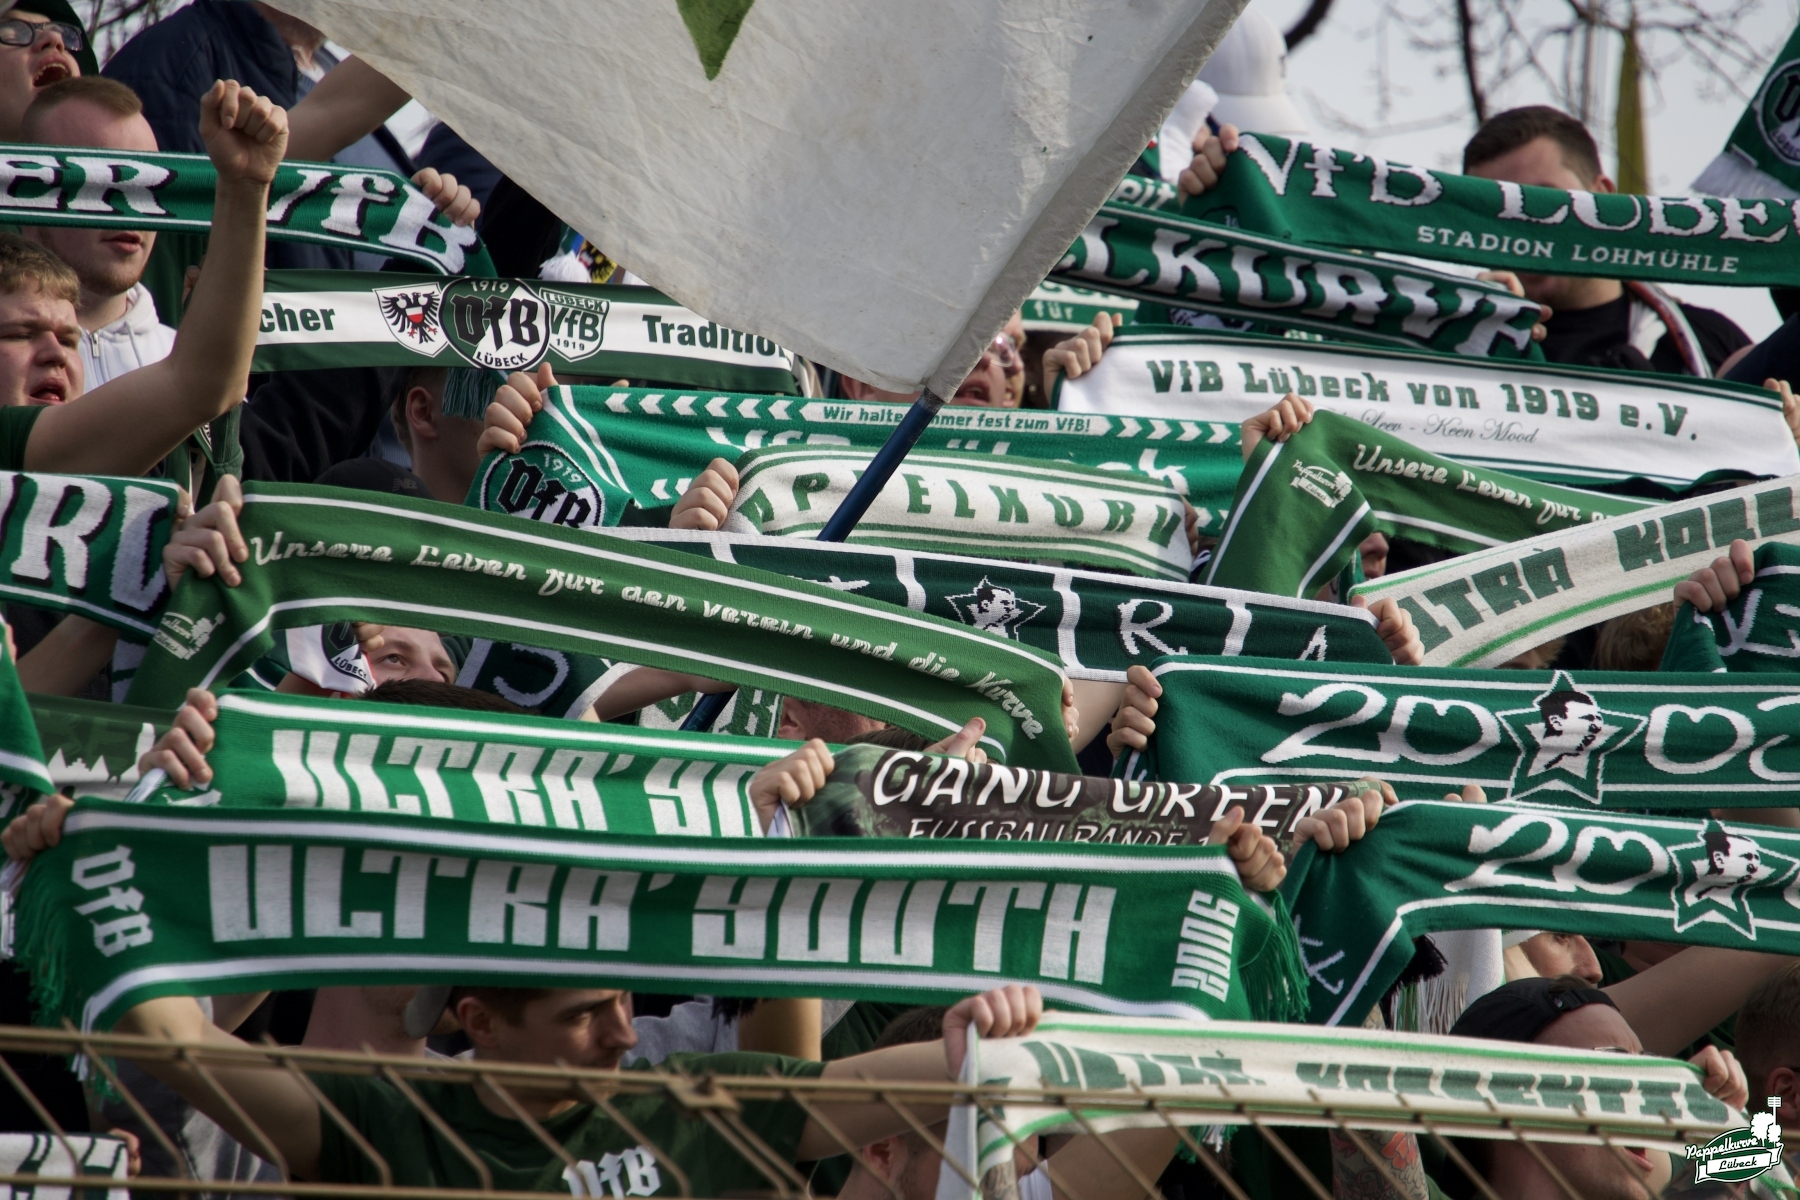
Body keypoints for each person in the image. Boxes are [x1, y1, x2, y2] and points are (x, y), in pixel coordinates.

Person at [0, 80, 282, 476]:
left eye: (150, 186)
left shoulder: (182, 350)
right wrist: (242, 188)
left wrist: (248, 184)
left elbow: (209, 383)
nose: (58, 354)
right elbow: (201, 382)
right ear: (30, 190)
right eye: (101, 182)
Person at [1461, 106, 1749, 377]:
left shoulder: (1708, 342)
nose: (1522, 226)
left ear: (1603, 198)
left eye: (1543, 202)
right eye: (1497, 211)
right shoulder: (1456, 345)